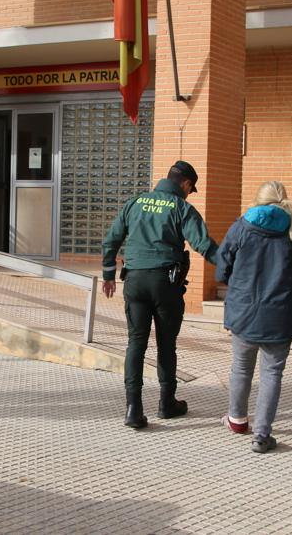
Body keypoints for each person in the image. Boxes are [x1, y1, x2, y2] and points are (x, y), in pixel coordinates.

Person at [102, 160, 219, 429]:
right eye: (191, 189)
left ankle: (133, 410)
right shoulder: (182, 207)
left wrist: (108, 275)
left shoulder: (135, 203)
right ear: (187, 184)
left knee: (136, 343)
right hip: (165, 283)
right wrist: (232, 268)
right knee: (166, 344)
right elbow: (203, 244)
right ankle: (167, 404)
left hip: (134, 281)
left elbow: (111, 240)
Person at [215, 181, 292, 454]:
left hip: (244, 312)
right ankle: (262, 434)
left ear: (259, 200)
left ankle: (236, 420)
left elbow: (223, 267)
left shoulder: (242, 226)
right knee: (272, 372)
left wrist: (232, 282)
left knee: (241, 367)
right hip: (281, 315)